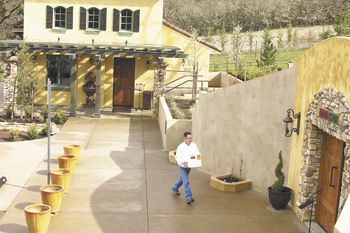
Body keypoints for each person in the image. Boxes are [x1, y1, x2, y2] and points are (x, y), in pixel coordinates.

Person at [171, 132, 200, 204]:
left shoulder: (194, 145)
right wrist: (183, 162)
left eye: (191, 138)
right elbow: (178, 157)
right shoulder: (180, 147)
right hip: (182, 167)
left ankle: (174, 187)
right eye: (189, 138)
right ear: (184, 139)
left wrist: (196, 161)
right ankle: (188, 197)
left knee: (182, 179)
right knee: (186, 181)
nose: (190, 140)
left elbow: (197, 154)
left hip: (189, 167)